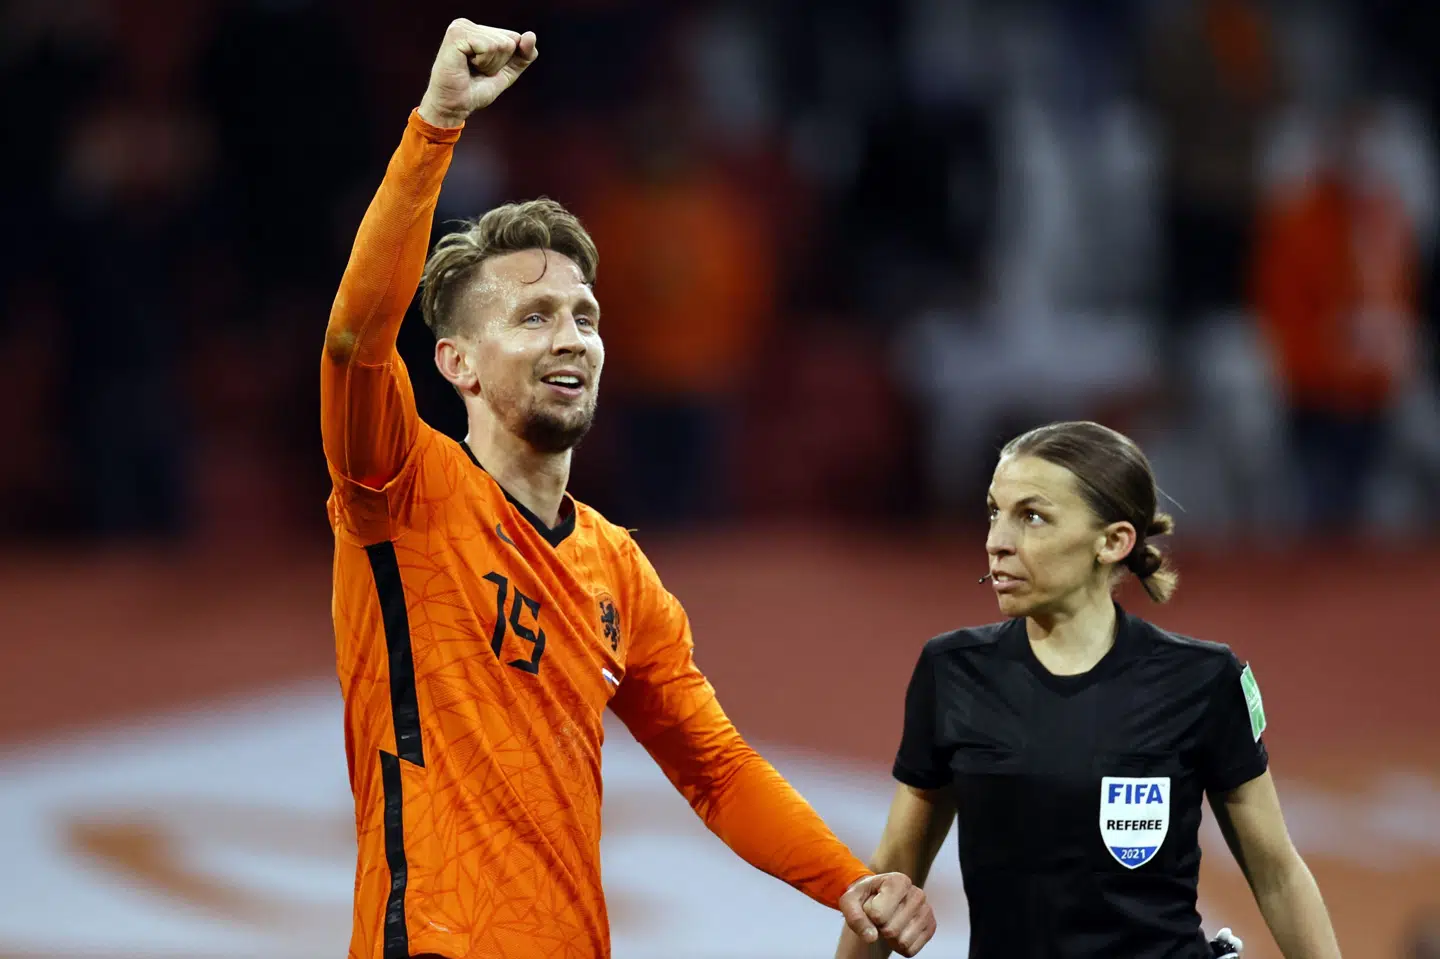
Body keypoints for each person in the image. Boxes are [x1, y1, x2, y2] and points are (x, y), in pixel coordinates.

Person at [321, 19, 936, 959]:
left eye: (585, 315)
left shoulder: (618, 570)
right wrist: (436, 124)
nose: (571, 336)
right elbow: (356, 339)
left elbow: (717, 771)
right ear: (458, 363)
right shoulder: (404, 490)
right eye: (533, 316)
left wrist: (849, 881)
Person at [836, 421, 1343, 958]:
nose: (996, 542)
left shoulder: (1203, 679)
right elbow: (893, 871)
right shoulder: (953, 671)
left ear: (1113, 541)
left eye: (1032, 517)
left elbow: (1277, 872)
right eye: (994, 512)